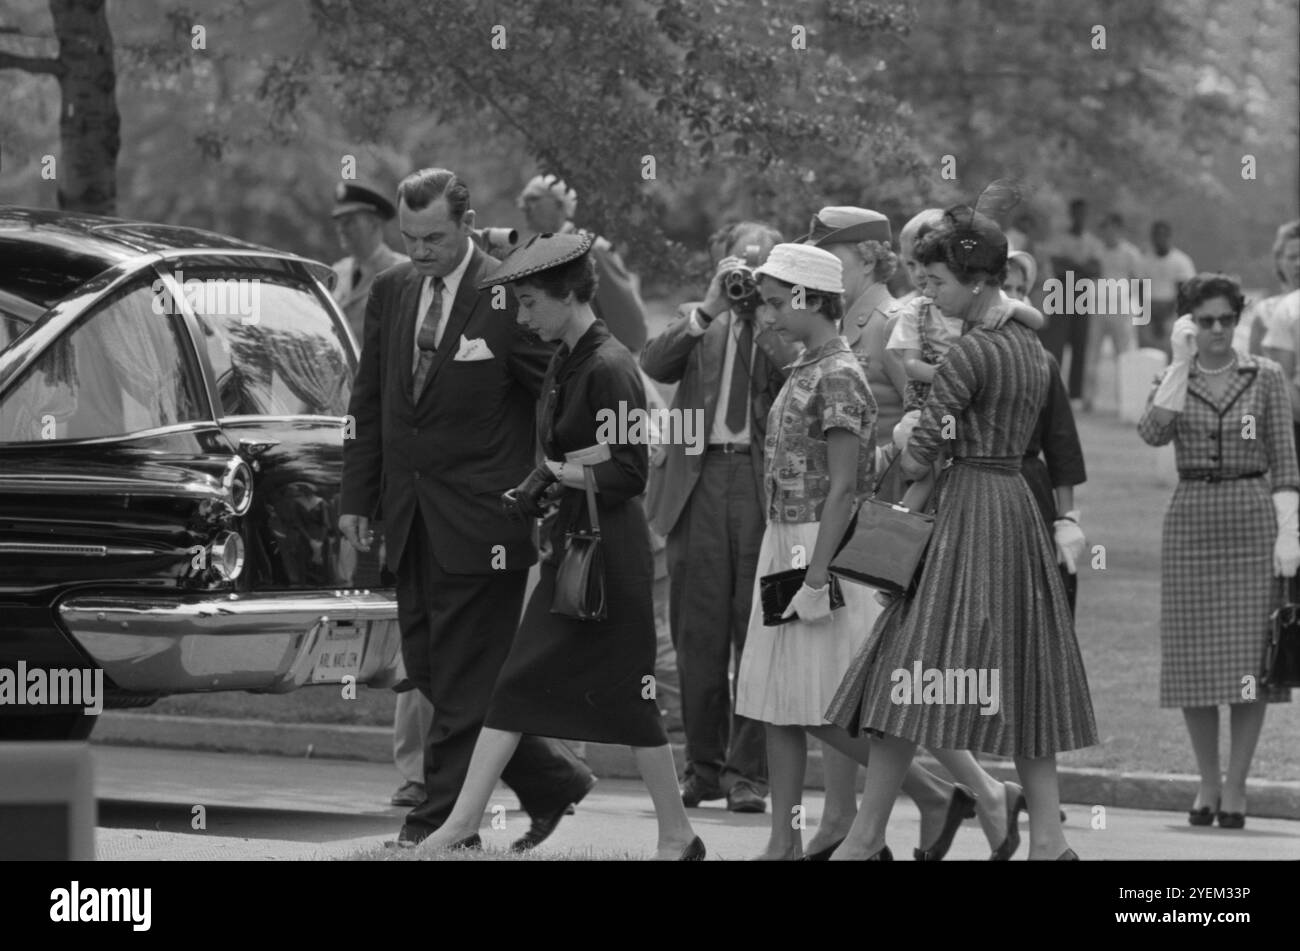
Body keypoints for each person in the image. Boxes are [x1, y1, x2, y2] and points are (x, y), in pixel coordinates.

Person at [413, 232, 704, 860]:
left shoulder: (609, 364)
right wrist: (550, 480)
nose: (520, 317)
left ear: (569, 296)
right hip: (578, 545)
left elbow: (628, 473)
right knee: (521, 686)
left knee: (628, 701)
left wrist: (556, 474)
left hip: (608, 555)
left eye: (528, 304)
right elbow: (582, 454)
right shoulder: (570, 358)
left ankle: (677, 835)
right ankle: (460, 825)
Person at [827, 206, 1098, 861]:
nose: (931, 292)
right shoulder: (1033, 350)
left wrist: (898, 442)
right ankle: (1050, 842)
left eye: (941, 281)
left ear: (977, 283)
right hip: (1018, 512)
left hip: (965, 511)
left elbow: (922, 453)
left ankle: (863, 838)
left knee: (902, 673)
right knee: (1027, 673)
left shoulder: (970, 352)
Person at [338, 167, 595, 850]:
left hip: (486, 522)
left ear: (466, 222)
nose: (420, 250)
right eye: (410, 236)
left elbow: (560, 389)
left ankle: (441, 826)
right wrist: (356, 499)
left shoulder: (509, 296)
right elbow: (371, 404)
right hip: (409, 516)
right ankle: (551, 779)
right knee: (427, 669)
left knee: (458, 674)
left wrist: (559, 477)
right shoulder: (392, 292)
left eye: (435, 238)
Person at [640, 221, 794, 814]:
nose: (745, 284)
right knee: (696, 633)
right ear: (716, 264)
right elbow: (655, 363)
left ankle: (746, 775)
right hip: (697, 486)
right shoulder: (696, 318)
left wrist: (762, 318)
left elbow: (791, 374)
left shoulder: (784, 326)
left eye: (757, 273)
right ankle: (703, 768)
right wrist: (710, 307)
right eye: (738, 270)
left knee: (755, 632)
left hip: (758, 487)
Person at [1138, 273, 1298, 829]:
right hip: (1192, 519)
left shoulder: (1267, 376)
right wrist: (1179, 366)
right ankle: (1206, 781)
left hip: (1252, 514)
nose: (1216, 331)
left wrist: (1288, 533)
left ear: (1239, 320)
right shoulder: (1171, 377)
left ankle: (1236, 785)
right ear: (1189, 324)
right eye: (1204, 321)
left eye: (1225, 320)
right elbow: (1153, 434)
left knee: (1250, 658)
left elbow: (1285, 458)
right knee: (1193, 657)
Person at [1006, 251, 1088, 617]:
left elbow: (1062, 445)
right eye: (1004, 287)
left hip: (1030, 490)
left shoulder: (1042, 361)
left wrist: (1067, 520)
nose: (1013, 297)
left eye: (1020, 289)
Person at [517, 173, 649, 353]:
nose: (524, 207)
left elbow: (631, 332)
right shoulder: (534, 252)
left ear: (559, 204)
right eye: (524, 200)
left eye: (533, 199)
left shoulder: (591, 249)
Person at [1039, 198, 1104, 401]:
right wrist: (1081, 267)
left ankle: (1075, 394)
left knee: (1080, 344)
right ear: (1071, 214)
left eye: (1083, 213)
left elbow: (1096, 270)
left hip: (1082, 295)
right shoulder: (1059, 239)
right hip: (1060, 294)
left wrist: (1071, 264)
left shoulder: (1093, 242)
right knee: (1055, 344)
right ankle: (1052, 388)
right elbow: (1057, 266)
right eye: (1076, 213)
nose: (1080, 217)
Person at [329, 182, 407, 343]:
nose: (341, 229)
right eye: (339, 221)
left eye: (349, 221)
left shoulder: (404, 273)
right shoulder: (336, 273)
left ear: (374, 223)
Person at [1082, 212, 1142, 412]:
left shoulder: (1130, 253)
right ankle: (1088, 399)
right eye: (1104, 228)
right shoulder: (1097, 252)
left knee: (1122, 355)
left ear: (1118, 229)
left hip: (1121, 308)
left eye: (1110, 227)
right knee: (1092, 353)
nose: (1107, 232)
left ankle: (1125, 401)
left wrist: (1138, 309)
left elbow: (1138, 281)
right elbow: (1089, 272)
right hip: (1098, 306)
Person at [1241, 219, 1300, 354]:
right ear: (1279, 261)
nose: (1298, 263)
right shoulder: (1265, 312)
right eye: (1292, 257)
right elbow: (1255, 367)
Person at [1141, 220, 1196, 356]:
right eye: (1156, 236)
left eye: (1163, 236)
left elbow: (1184, 295)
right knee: (1148, 355)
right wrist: (1153, 317)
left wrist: (1166, 318)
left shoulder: (1181, 261)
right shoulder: (1144, 261)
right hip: (1149, 313)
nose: (1160, 239)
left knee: (1174, 355)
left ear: (1169, 237)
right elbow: (1140, 291)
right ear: (1152, 238)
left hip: (1172, 314)